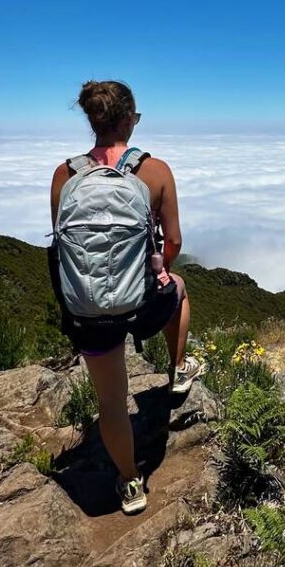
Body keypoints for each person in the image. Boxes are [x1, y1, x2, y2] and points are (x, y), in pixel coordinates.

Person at [50, 79, 203, 515]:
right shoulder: (154, 172)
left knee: (111, 403)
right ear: (126, 120)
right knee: (180, 289)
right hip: (140, 303)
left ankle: (130, 484)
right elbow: (172, 241)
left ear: (93, 122)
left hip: (88, 311)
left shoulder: (65, 175)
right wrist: (157, 267)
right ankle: (176, 370)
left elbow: (64, 247)